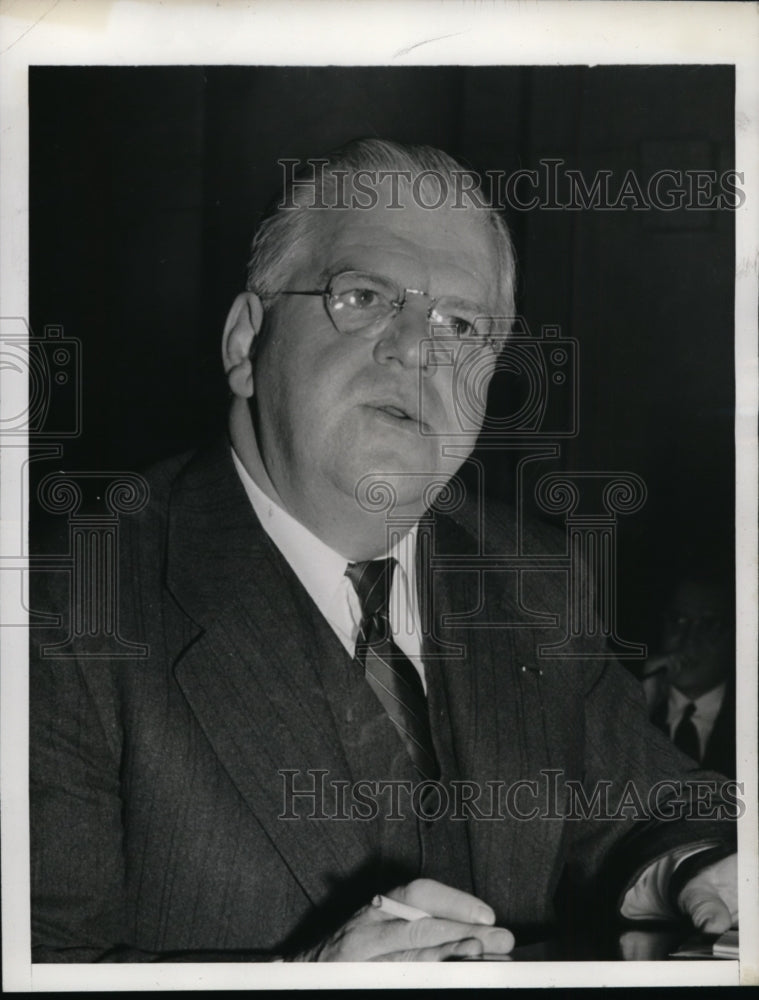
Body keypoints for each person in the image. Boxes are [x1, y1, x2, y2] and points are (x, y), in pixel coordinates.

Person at [30, 139, 738, 963]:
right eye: (363, 295)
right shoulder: (68, 604)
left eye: (460, 324)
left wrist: (693, 864)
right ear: (243, 344)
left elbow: (643, 803)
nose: (415, 348)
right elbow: (40, 958)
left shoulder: (526, 572)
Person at [642, 576, 736, 778]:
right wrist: (639, 710)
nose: (688, 639)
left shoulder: (745, 721)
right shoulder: (633, 709)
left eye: (710, 625)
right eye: (678, 620)